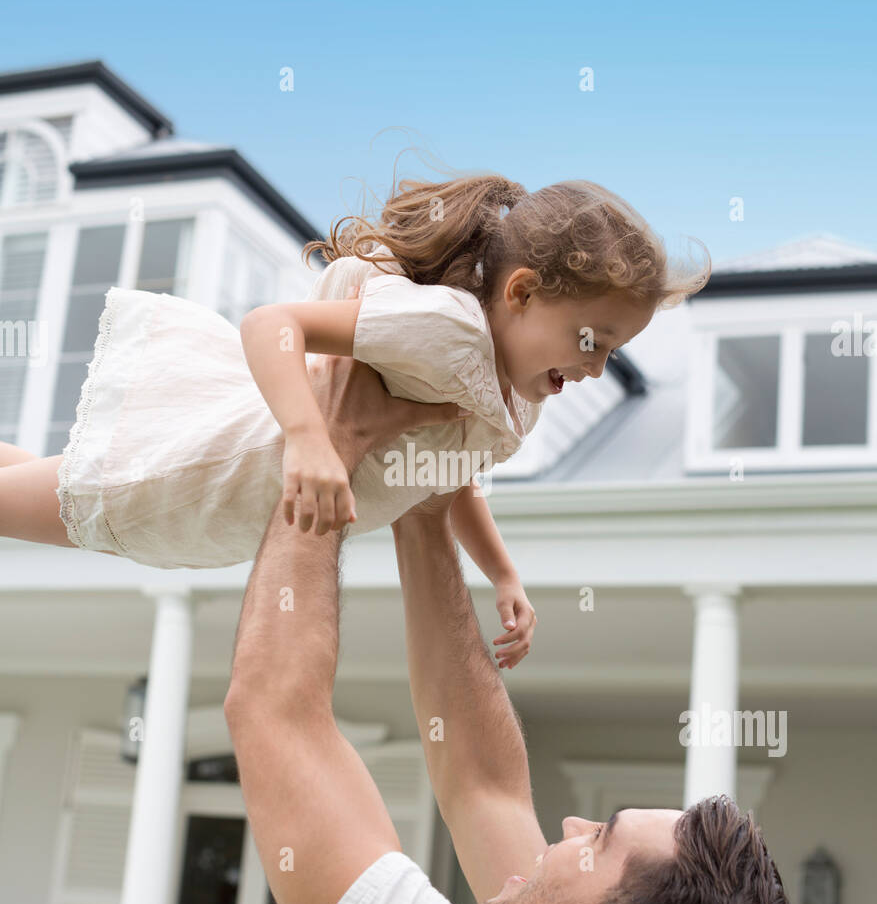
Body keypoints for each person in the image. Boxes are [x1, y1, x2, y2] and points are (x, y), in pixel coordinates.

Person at [224, 351, 799, 904]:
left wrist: (334, 434)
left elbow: (274, 711)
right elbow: (482, 784)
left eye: (596, 840)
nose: (566, 828)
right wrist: (427, 510)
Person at [0, 174, 707, 670]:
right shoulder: (447, 330)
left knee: (24, 478)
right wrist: (309, 439)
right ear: (521, 292)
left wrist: (502, 573)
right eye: (594, 340)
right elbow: (271, 324)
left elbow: (446, 475)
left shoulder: (507, 396)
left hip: (225, 510)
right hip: (204, 476)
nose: (597, 367)